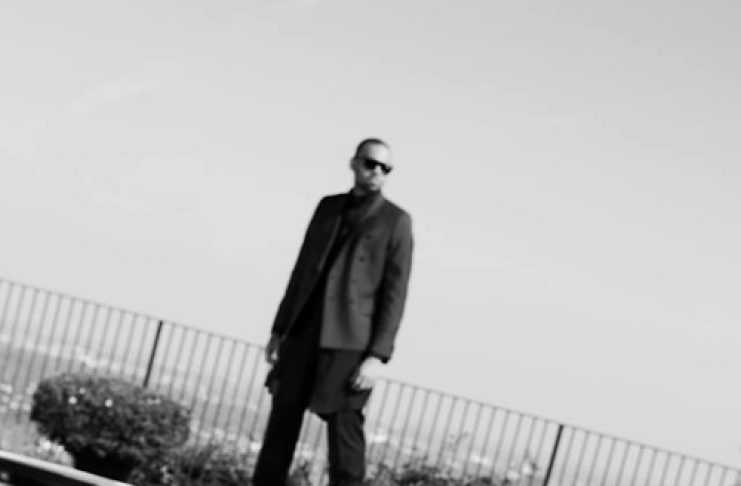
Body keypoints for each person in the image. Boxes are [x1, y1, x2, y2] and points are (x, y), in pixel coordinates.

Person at [252, 138, 414, 486]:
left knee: (345, 438)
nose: (377, 172)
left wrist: (377, 356)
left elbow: (395, 295)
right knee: (280, 427)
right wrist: (279, 329)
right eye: (370, 163)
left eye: (385, 168)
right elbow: (301, 270)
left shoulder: (396, 221)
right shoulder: (328, 207)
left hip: (350, 342)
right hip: (303, 333)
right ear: (354, 163)